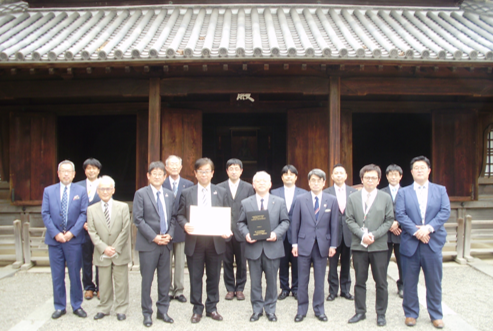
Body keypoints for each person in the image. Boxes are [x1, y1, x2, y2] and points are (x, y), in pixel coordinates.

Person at [395, 156, 450, 329]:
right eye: (416, 168)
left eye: (422, 167)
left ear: (429, 170)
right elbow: (401, 214)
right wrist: (417, 231)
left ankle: (436, 314)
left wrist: (428, 228)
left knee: (434, 281)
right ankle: (411, 313)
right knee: (409, 281)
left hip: (432, 242)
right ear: (411, 172)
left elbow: (444, 211)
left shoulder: (440, 190)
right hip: (411, 243)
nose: (419, 170)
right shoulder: (403, 192)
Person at [177, 158, 232, 324]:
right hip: (195, 242)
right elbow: (179, 214)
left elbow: (228, 214)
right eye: (200, 171)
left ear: (212, 173)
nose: (204, 174)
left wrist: (226, 229)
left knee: (214, 276)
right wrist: (185, 225)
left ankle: (212, 307)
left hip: (215, 242)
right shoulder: (187, 193)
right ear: (195, 173)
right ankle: (197, 309)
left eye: (207, 171)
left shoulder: (221, 192)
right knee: (195, 276)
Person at [237, 171, 289, 322]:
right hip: (253, 249)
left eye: (264, 181)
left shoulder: (279, 202)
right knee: (255, 282)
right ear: (253, 184)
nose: (261, 183)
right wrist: (246, 234)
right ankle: (257, 309)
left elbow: (285, 221)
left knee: (272, 282)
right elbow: (240, 223)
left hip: (272, 247)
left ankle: (271, 309)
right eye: (258, 181)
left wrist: (276, 234)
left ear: (270, 184)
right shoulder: (246, 203)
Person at [346, 164, 394, 327]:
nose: (370, 180)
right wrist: (362, 234)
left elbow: (389, 220)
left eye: (374, 178)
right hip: (359, 246)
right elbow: (349, 220)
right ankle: (360, 311)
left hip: (379, 245)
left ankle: (381, 313)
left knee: (381, 282)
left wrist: (374, 234)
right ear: (362, 179)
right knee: (360, 280)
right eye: (367, 177)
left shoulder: (385, 198)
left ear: (379, 180)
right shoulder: (353, 197)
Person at [41, 160, 89, 319]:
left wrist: (71, 233)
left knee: (75, 274)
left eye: (69, 171)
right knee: (57, 275)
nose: (66, 174)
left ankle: (77, 305)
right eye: (63, 171)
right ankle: (60, 306)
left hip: (73, 240)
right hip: (55, 240)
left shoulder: (81, 191)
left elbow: (84, 214)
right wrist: (56, 233)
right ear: (58, 173)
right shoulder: (49, 190)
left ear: (74, 174)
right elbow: (45, 214)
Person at [291, 169, 339, 323]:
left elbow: (334, 225)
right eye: (313, 180)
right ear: (308, 182)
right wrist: (294, 243)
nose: (316, 183)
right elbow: (295, 224)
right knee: (302, 279)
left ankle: (319, 309)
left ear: (324, 182)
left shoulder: (331, 200)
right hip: (304, 243)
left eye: (319, 180)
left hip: (322, 245)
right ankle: (301, 310)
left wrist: (333, 245)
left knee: (320, 280)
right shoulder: (300, 199)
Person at [133, 161, 176, 327]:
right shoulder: (141, 194)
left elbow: (173, 217)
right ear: (148, 176)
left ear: (165, 177)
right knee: (147, 280)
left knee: (165, 280)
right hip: (149, 244)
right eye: (154, 174)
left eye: (160, 174)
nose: (157, 177)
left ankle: (163, 310)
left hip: (166, 244)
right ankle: (147, 313)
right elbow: (138, 219)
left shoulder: (169, 194)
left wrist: (169, 235)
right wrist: (155, 237)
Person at [87, 176, 131, 321]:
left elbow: (126, 229)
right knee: (104, 282)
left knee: (121, 282)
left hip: (119, 251)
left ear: (113, 190)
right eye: (102, 189)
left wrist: (115, 247)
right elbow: (92, 231)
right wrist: (104, 248)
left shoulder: (123, 207)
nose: (105, 191)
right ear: (98, 191)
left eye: (108, 188)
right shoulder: (91, 209)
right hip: (102, 252)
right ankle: (104, 307)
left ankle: (121, 308)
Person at [217, 158, 255, 301]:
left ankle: (240, 288)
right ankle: (229, 289)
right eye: (231, 168)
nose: (234, 171)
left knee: (241, 262)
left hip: (241, 231)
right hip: (225, 230)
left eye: (236, 168)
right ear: (227, 171)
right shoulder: (219, 188)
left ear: (241, 171)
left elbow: (252, 209)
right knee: (226, 261)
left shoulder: (249, 188)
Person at [271, 165, 307, 301]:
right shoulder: (274, 193)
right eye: (286, 174)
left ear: (296, 177)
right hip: (280, 233)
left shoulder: (303, 193)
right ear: (282, 177)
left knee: (297, 263)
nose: (289, 176)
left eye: (292, 174)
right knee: (282, 262)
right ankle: (284, 288)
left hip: (297, 233)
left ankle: (296, 288)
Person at [323, 164, 357, 302]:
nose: (338, 175)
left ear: (346, 176)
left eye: (341, 173)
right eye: (336, 173)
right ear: (331, 176)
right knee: (332, 264)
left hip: (348, 233)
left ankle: (345, 290)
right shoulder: (326, 192)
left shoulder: (353, 192)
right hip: (332, 234)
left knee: (346, 263)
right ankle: (332, 291)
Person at [163, 155, 193, 303]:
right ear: (166, 167)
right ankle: (167, 290)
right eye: (171, 165)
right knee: (166, 262)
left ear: (181, 167)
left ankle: (179, 290)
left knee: (180, 261)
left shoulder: (188, 184)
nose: (174, 167)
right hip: (165, 229)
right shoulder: (161, 184)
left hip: (182, 228)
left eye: (177, 165)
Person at [76, 158, 102, 300]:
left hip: (100, 230)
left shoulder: (105, 185)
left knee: (100, 258)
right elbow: (74, 209)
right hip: (83, 229)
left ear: (98, 170)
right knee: (85, 258)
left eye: (94, 168)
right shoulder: (78, 187)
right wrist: (83, 224)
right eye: (88, 168)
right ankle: (88, 287)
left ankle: (100, 286)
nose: (91, 171)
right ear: (84, 170)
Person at [381, 164, 404, 298]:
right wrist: (390, 224)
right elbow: (377, 212)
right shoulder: (381, 192)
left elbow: (410, 212)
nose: (393, 177)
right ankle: (382, 286)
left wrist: (398, 224)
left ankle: (402, 286)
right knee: (383, 262)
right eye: (391, 174)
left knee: (403, 262)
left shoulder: (406, 192)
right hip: (385, 233)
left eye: (396, 174)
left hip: (401, 233)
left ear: (400, 176)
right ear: (387, 176)